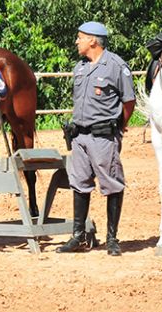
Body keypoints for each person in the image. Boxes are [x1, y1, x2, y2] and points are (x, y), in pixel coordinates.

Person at [57, 22, 135, 256]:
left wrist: (119, 126)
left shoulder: (115, 66)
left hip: (103, 136)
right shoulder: (80, 67)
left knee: (111, 183)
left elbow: (128, 101)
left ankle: (112, 238)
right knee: (79, 183)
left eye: (80, 37)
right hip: (79, 135)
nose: (76, 41)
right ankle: (78, 236)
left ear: (93, 40)